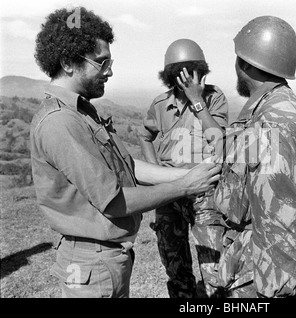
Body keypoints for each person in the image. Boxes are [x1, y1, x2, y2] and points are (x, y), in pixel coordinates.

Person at [30, 7, 221, 298]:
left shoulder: (82, 112)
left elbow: (128, 166)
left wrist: (189, 175)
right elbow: (115, 202)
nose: (109, 71)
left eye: (110, 61)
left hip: (106, 260)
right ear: (68, 62)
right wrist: (184, 185)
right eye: (101, 62)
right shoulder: (61, 122)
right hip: (91, 266)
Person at [178, 16, 296, 298]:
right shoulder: (273, 109)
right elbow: (231, 152)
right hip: (249, 261)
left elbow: (280, 222)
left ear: (244, 64)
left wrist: (269, 294)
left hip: (258, 280)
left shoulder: (271, 125)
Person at [139, 39, 228, 298]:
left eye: (196, 72)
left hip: (204, 192)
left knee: (214, 271)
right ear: (172, 77)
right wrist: (156, 174)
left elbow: (218, 139)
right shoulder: (160, 105)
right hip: (169, 193)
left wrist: (197, 101)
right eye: (184, 74)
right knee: (175, 266)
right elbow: (145, 136)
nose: (191, 79)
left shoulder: (214, 97)